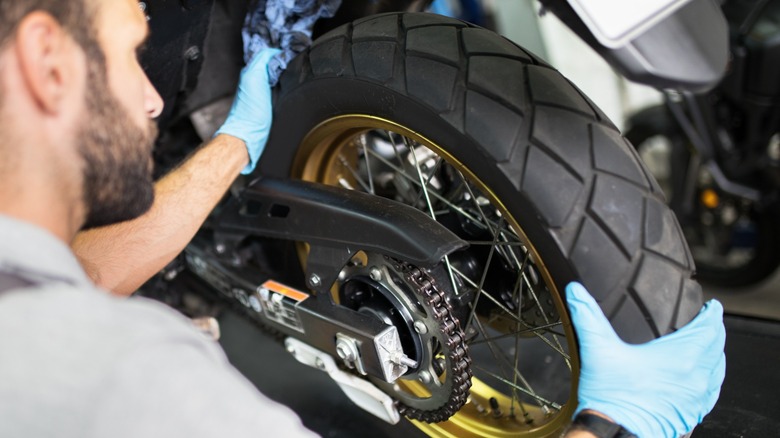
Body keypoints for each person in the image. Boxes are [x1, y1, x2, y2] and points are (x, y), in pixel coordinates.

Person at [0, 1, 725, 437]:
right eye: (134, 54)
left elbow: (82, 275)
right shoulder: (133, 380)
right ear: (46, 63)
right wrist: (613, 425)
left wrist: (230, 149)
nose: (153, 100)